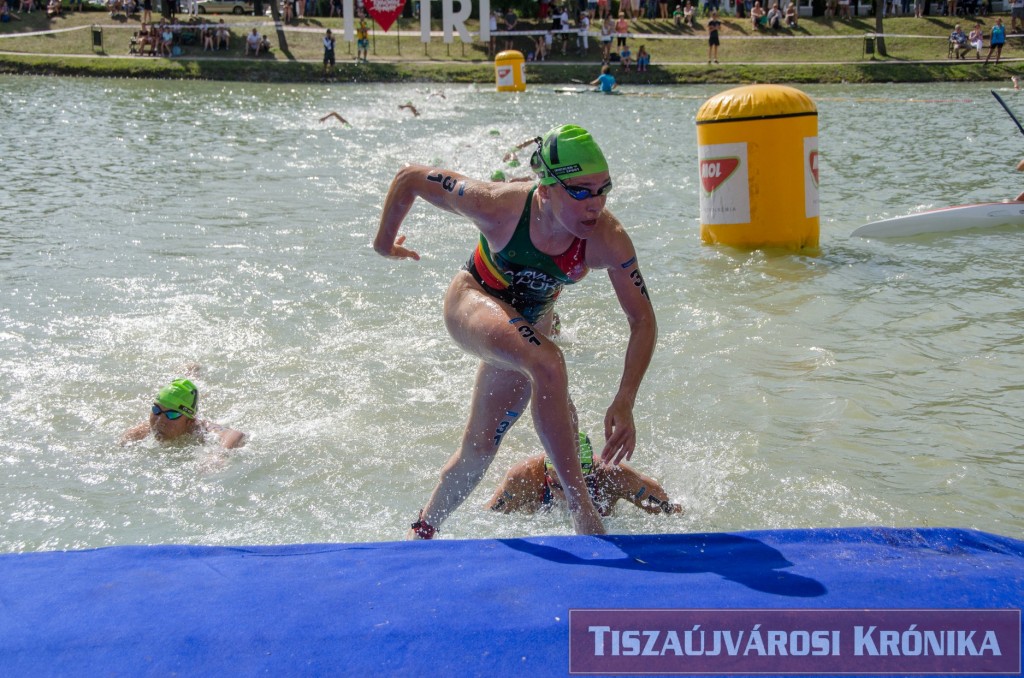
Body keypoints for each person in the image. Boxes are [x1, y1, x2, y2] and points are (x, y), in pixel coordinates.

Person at [374, 125, 657, 539]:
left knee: (480, 447)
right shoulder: (498, 205)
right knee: (549, 361)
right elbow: (411, 178)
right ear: (545, 188)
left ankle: (421, 532)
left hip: (528, 328)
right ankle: (585, 516)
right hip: (471, 302)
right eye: (581, 191)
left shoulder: (607, 240)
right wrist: (384, 243)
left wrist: (625, 398)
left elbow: (643, 320)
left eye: (603, 189)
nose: (595, 204)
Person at [485, 432, 682, 517]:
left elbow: (671, 512)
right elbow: (489, 519)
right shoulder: (525, 477)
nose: (569, 494)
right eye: (560, 485)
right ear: (547, 473)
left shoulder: (616, 477)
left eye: (579, 485)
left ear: (592, 473)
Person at [120, 379, 246, 449]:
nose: (160, 421)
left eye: (172, 415)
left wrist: (218, 455)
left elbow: (235, 434)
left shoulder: (200, 430)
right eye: (156, 410)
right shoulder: (144, 429)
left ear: (190, 421)